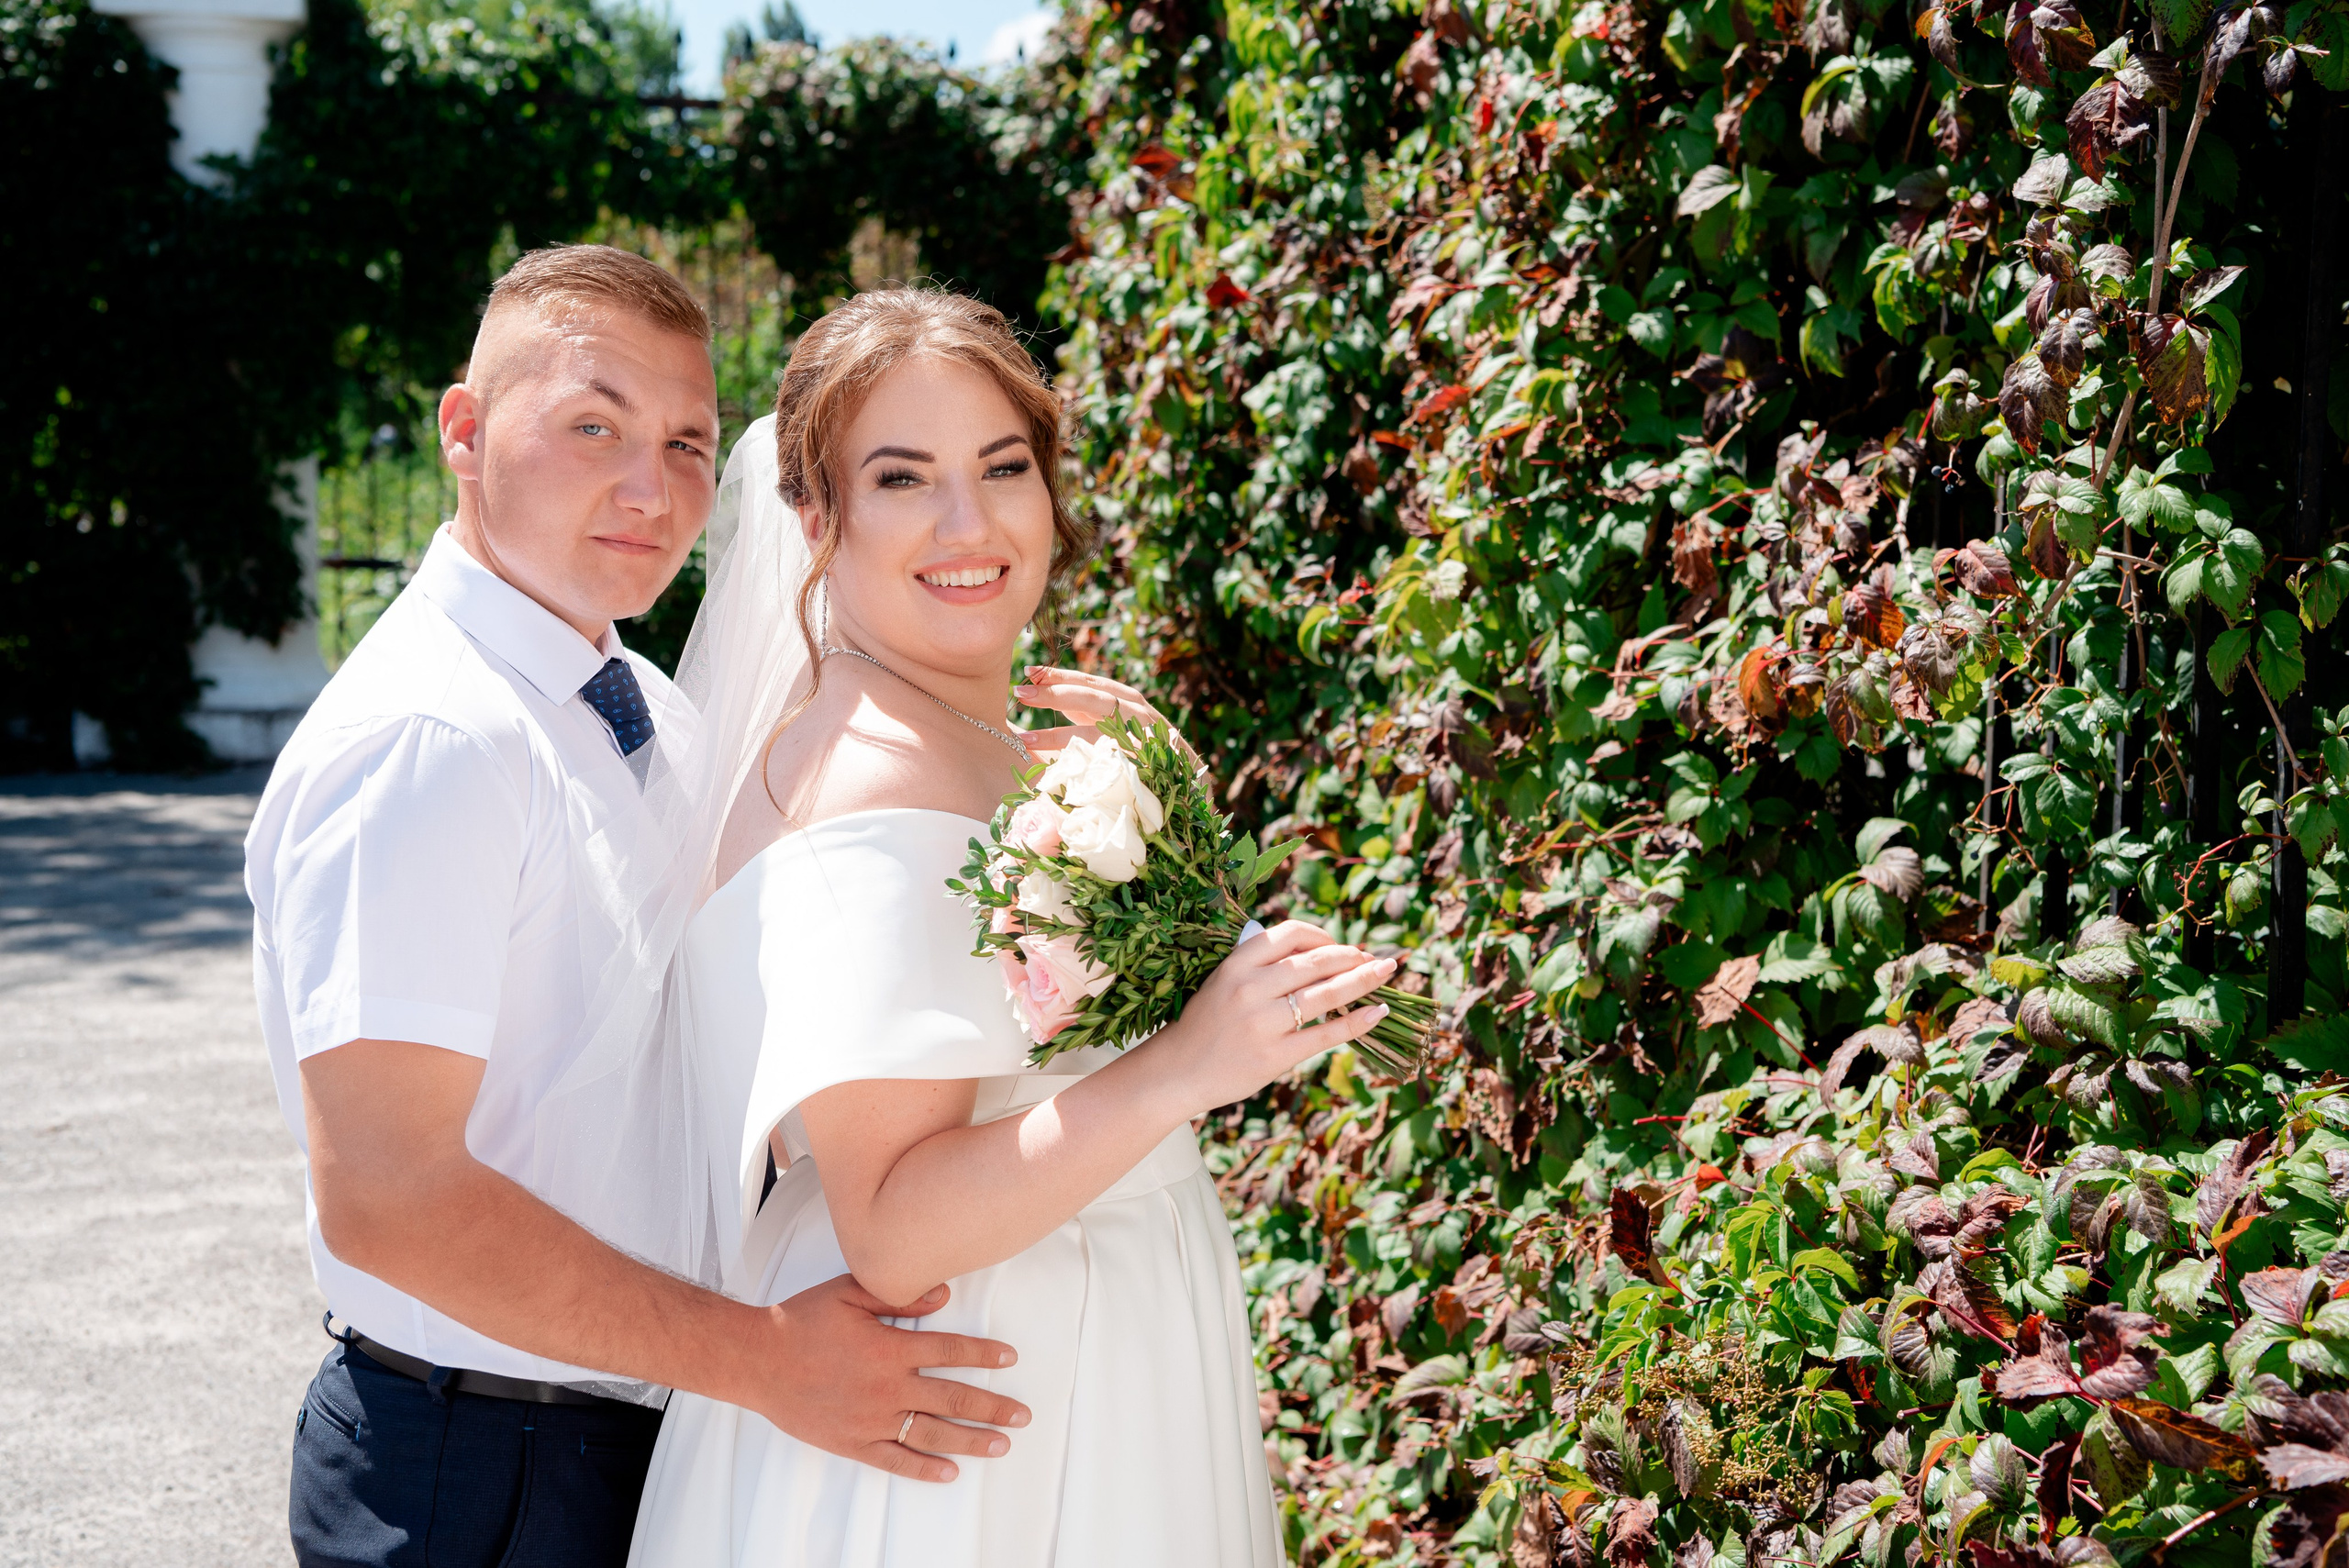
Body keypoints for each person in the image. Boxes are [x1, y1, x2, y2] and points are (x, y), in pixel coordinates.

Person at [245, 246, 1033, 1568]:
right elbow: (389, 1192)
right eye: (593, 426)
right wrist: (767, 1361)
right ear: (464, 429)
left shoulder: (643, 707)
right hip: (484, 1471)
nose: (651, 487)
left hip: (638, 1423)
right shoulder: (433, 738)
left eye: (684, 442)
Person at [622, 286, 1397, 1565]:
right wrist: (1192, 1064)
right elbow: (893, 1225)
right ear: (818, 518)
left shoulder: (989, 736)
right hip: (968, 1424)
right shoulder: (863, 779)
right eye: (904, 477)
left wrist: (1171, 826)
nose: (970, 522)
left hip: (1100, 1342)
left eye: (1002, 466)